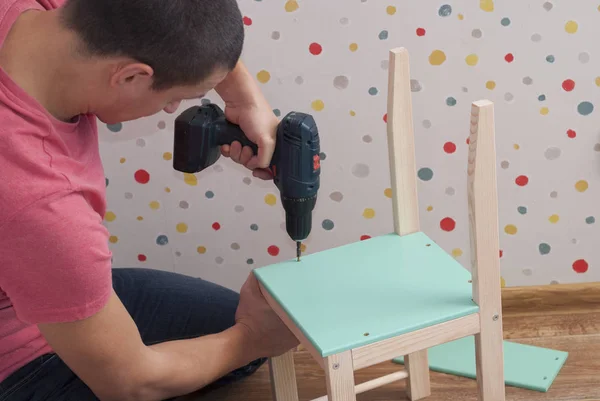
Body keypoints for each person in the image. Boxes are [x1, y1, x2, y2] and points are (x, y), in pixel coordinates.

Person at [0, 0, 299, 400]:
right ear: (130, 76)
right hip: (15, 364)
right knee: (238, 340)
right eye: (178, 96)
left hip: (32, 279)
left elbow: (176, 17)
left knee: (223, 327)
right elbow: (131, 382)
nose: (173, 108)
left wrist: (243, 97)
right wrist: (254, 339)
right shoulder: (40, 201)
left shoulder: (49, 18)